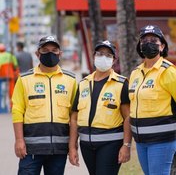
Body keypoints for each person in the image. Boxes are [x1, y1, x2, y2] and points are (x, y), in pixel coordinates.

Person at [12, 35, 77, 175]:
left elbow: (74, 116)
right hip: (31, 149)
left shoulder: (71, 80)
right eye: (45, 50)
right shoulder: (24, 80)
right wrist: (19, 140)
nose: (50, 53)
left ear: (60, 53)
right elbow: (17, 111)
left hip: (59, 149)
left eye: (54, 50)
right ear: (37, 54)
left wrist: (72, 147)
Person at [69, 40, 131, 175]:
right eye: (100, 54)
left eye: (109, 55)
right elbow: (74, 118)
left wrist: (126, 145)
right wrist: (72, 146)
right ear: (94, 56)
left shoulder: (121, 84)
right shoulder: (83, 84)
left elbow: (128, 117)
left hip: (111, 144)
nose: (104, 57)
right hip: (86, 145)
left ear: (114, 60)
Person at [129, 25, 176, 175]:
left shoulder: (168, 71)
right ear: (140, 46)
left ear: (162, 46)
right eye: (144, 40)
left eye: (154, 40)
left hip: (162, 141)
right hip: (141, 142)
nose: (148, 43)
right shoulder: (135, 73)